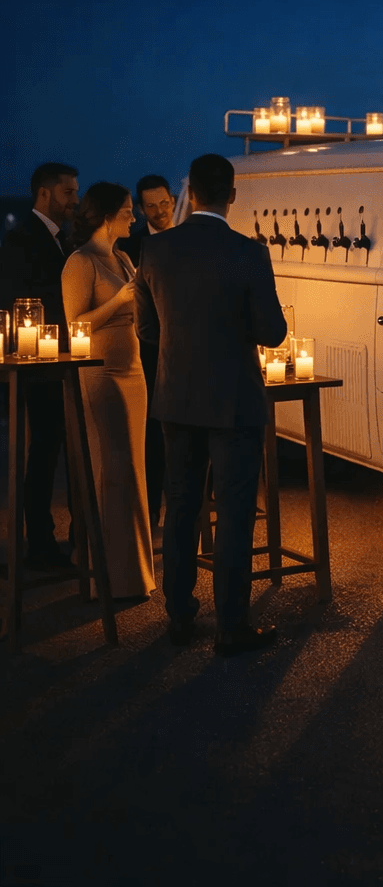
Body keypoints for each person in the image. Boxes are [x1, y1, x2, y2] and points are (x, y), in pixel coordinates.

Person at [135, 153, 287, 655]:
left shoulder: (154, 251)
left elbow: (148, 331)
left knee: (179, 507)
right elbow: (272, 331)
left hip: (175, 396)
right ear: (233, 195)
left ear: (190, 194)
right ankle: (231, 625)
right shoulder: (248, 253)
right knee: (235, 511)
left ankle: (179, 616)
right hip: (234, 399)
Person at [61, 182, 156, 600]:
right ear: (106, 215)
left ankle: (135, 574)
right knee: (112, 472)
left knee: (134, 471)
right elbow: (75, 325)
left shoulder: (120, 256)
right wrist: (119, 301)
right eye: (128, 210)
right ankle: (109, 576)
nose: (134, 217)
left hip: (133, 372)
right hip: (101, 374)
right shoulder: (80, 263)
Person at [0, 162, 79, 569]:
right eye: (68, 193)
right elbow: (21, 298)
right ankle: (40, 542)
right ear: (45, 194)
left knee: (54, 448)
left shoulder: (60, 238)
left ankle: (57, 538)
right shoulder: (21, 239)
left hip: (59, 358)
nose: (74, 200)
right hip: (40, 360)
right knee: (44, 448)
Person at [118, 174, 177, 533]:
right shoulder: (132, 248)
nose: (159, 211)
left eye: (164, 204)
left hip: (183, 352)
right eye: (151, 206)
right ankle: (150, 515)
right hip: (148, 351)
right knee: (152, 439)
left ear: (173, 201)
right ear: (141, 210)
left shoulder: (189, 240)